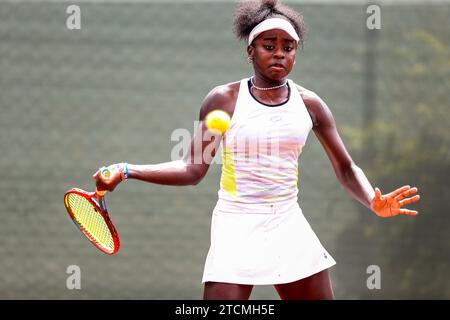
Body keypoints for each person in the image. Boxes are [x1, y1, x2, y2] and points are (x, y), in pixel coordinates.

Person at [93, 0, 420, 300]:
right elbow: (192, 169)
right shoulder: (223, 100)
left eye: (288, 47)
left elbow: (346, 168)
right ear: (250, 51)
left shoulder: (311, 105)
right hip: (236, 224)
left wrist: (372, 201)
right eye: (269, 46)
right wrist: (126, 170)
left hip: (287, 222)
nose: (279, 53)